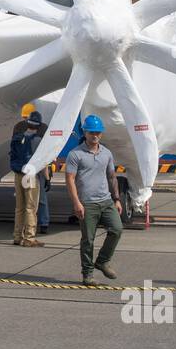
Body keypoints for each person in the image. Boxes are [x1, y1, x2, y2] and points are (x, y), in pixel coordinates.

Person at [66, 114, 123, 283]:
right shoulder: (75, 154)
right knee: (88, 240)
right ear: (84, 132)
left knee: (117, 229)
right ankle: (87, 273)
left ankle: (102, 261)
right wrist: (76, 202)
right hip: (87, 204)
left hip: (106, 201)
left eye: (98, 132)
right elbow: (69, 179)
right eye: (91, 132)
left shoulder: (107, 153)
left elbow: (112, 177)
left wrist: (117, 199)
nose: (95, 135)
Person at [9, 111, 45, 247]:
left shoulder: (17, 138)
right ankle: (29, 237)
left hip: (18, 174)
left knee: (19, 207)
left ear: (27, 123)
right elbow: (42, 162)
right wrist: (46, 179)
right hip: (30, 175)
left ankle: (17, 236)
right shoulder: (38, 140)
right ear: (39, 125)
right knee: (31, 207)